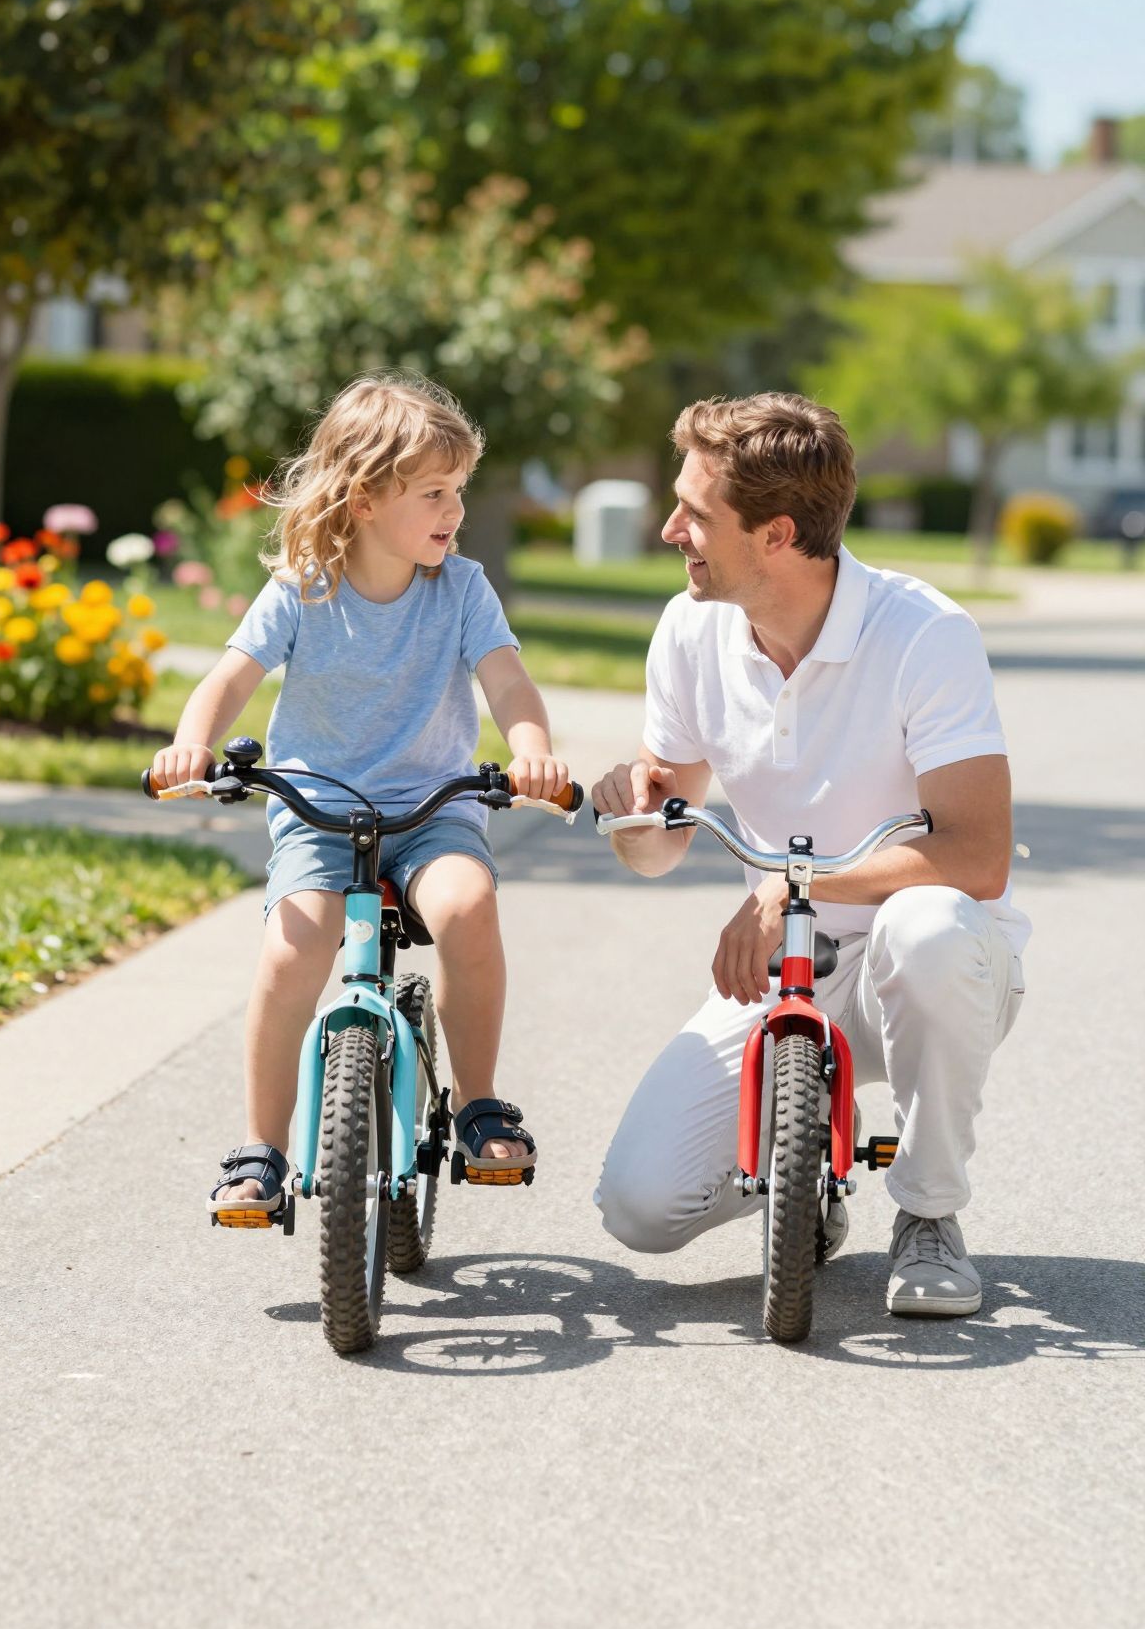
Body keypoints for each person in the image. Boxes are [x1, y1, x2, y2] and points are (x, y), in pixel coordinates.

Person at [591, 393, 1028, 1317]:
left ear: (777, 534)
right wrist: (631, 811)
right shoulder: (690, 631)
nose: (671, 529)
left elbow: (979, 857)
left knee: (931, 926)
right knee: (639, 1206)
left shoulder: (926, 634)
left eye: (696, 514)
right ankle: (808, 1169)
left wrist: (794, 882)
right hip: (785, 971)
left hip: (935, 970)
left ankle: (930, 1216)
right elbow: (660, 847)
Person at [150, 375, 570, 1215]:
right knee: (290, 953)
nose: (454, 509)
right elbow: (229, 679)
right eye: (434, 492)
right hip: (319, 811)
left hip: (432, 806)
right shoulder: (305, 587)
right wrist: (192, 744)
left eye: (459, 489)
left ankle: (478, 1100)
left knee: (467, 908)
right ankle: (262, 1147)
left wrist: (532, 754)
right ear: (366, 497)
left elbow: (511, 687)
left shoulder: (462, 589)